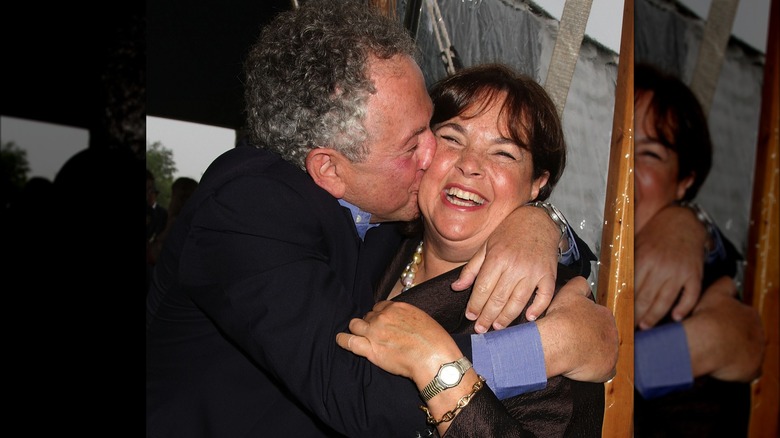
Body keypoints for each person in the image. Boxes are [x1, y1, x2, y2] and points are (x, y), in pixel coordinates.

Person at [146, 1, 617, 436]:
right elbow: (355, 389)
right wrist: (551, 347)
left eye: (503, 153)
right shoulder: (254, 208)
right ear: (330, 169)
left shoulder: (387, 222)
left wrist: (544, 225)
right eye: (426, 140)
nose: (441, 157)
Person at [336, 63, 615, 437]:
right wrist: (547, 222)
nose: (470, 166)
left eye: (503, 154)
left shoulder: (543, 314)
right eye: (452, 138)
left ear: (537, 184)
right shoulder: (374, 242)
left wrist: (436, 364)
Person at [632, 63, 765, 437]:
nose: (627, 166)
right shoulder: (583, 260)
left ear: (684, 182)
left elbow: (623, 376)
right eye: (621, 143)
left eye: (651, 155)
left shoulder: (702, 284)